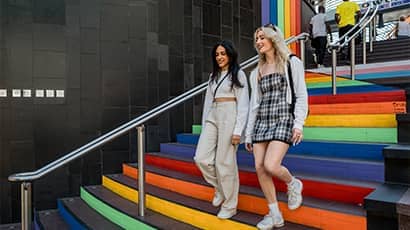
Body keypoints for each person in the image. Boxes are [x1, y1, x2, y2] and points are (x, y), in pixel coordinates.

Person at [245, 24, 308, 229]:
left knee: (271, 165)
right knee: (259, 167)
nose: (259, 42)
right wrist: (248, 134)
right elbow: (254, 104)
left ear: (273, 38)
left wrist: (298, 124)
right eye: (256, 39)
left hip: (283, 118)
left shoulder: (291, 62)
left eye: (262, 37)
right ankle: (274, 214)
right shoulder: (256, 72)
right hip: (262, 120)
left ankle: (292, 183)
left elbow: (301, 95)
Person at [194, 40, 249, 219]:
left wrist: (238, 131)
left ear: (230, 55)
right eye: (217, 54)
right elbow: (208, 103)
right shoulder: (213, 76)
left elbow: (244, 105)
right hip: (213, 115)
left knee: (225, 163)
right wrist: (204, 125)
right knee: (201, 158)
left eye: (223, 54)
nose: (219, 57)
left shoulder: (238, 74)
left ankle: (230, 204)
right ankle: (219, 188)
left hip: (230, 115)